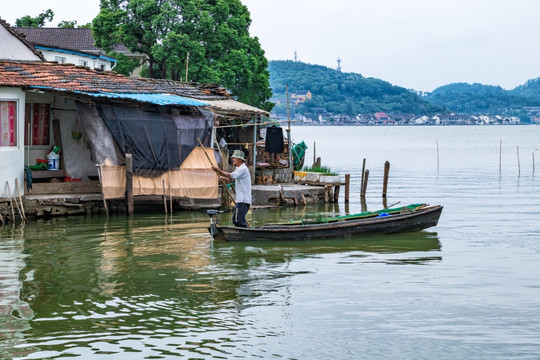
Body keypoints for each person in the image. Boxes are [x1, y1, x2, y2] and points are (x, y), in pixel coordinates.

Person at [212, 149, 252, 227]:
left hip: (243, 200)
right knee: (236, 219)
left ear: (240, 159)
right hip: (241, 199)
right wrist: (224, 179)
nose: (233, 159)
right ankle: (240, 232)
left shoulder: (243, 169)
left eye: (235, 158)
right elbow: (232, 180)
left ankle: (242, 234)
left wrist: (218, 170)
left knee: (238, 220)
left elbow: (231, 176)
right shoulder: (238, 169)